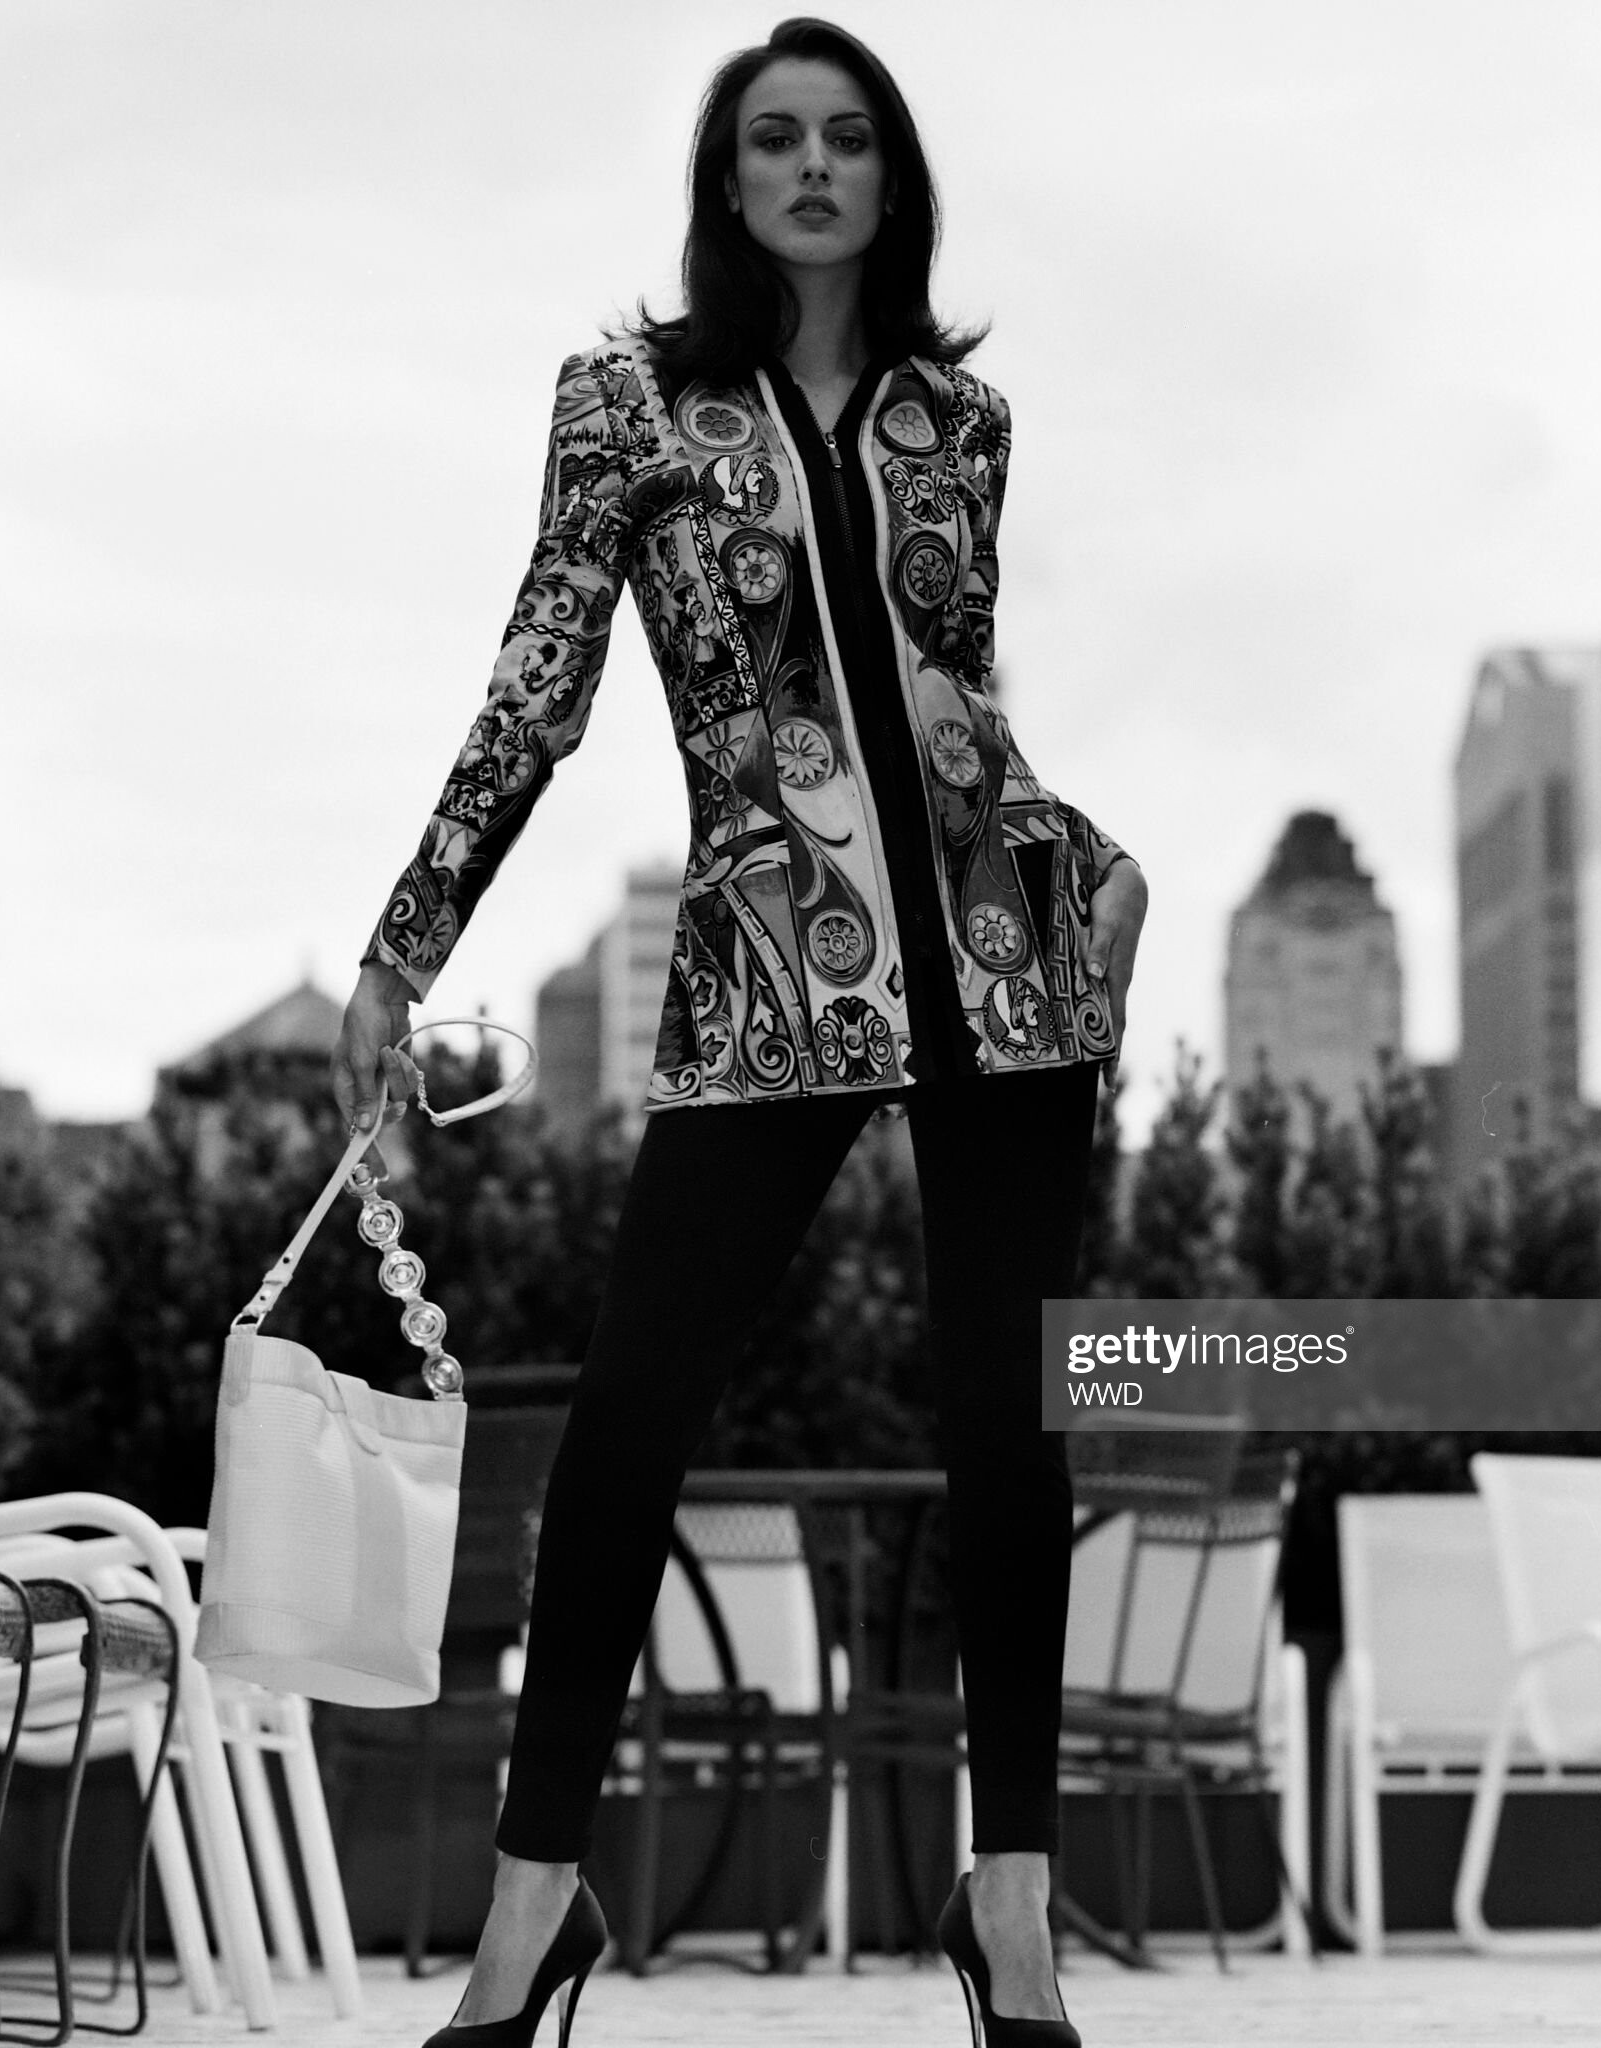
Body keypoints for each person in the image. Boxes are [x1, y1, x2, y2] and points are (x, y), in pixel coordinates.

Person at [331, 20, 1148, 2046]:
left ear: (891, 178)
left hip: (1011, 961)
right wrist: (402, 945)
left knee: (1011, 1436)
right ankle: (532, 1912)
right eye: (772, 138)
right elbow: (538, 687)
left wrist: (1096, 872)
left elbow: (952, 701)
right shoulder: (626, 405)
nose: (811, 166)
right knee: (628, 1430)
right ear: (725, 178)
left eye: (846, 138)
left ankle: (1013, 1916)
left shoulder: (963, 422)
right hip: (766, 972)